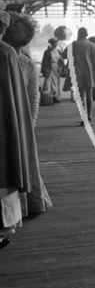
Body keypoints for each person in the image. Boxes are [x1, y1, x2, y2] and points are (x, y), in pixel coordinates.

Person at [2, 12, 52, 221]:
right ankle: (29, 203)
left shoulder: (6, 57)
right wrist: (29, 124)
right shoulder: (28, 65)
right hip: (21, 123)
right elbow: (33, 100)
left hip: (6, 122)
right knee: (25, 163)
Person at [70, 27, 95, 124]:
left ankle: (83, 117)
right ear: (86, 34)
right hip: (90, 73)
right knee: (89, 95)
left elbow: (65, 56)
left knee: (81, 96)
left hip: (78, 72)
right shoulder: (92, 46)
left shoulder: (74, 45)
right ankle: (89, 115)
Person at [41, 37, 62, 103]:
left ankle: (56, 97)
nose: (55, 44)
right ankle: (51, 97)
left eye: (56, 42)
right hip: (50, 67)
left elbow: (60, 60)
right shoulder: (47, 52)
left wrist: (61, 67)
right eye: (54, 43)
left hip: (57, 68)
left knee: (57, 82)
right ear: (51, 43)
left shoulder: (58, 51)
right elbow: (44, 61)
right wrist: (44, 70)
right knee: (49, 82)